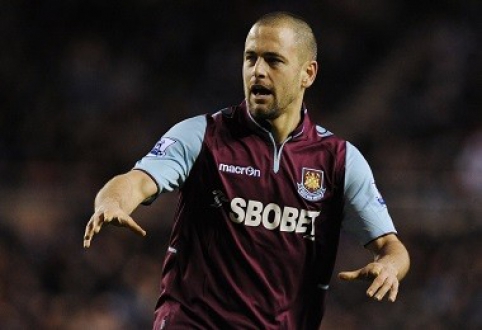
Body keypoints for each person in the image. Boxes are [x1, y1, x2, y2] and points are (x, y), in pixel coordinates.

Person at [83, 11, 410, 329]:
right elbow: (136, 181)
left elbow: (393, 248)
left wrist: (389, 266)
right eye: (250, 58)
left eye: (273, 60)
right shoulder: (202, 136)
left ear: (307, 74)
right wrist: (111, 202)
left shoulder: (339, 161)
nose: (258, 71)